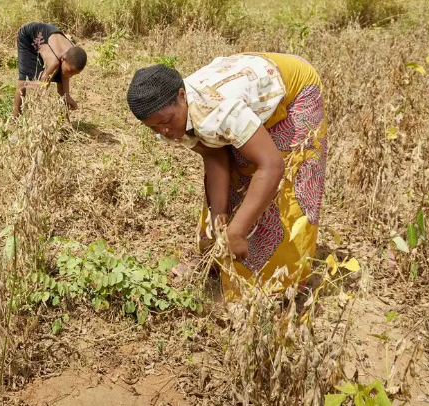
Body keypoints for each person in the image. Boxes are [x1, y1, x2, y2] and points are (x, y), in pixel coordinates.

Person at [126, 53, 327, 295]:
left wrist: (238, 230)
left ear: (182, 96)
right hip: (240, 92)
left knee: (284, 190)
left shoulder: (218, 110)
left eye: (167, 121)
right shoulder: (172, 118)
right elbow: (215, 155)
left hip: (293, 87)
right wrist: (218, 213)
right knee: (238, 174)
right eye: (154, 127)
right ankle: (218, 260)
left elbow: (272, 166)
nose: (165, 131)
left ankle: (278, 288)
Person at [13, 22, 87, 118]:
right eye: (70, 71)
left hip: (48, 38)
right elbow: (44, 80)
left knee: (60, 79)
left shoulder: (71, 55)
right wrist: (38, 84)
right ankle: (15, 118)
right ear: (63, 59)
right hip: (28, 37)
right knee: (23, 82)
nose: (70, 75)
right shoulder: (54, 60)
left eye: (74, 74)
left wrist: (67, 96)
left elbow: (64, 77)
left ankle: (65, 121)